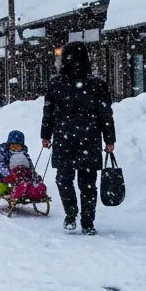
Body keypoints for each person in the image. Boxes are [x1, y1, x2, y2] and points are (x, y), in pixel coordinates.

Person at [40, 42, 116, 235]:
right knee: (88, 183)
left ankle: (71, 215)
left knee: (64, 179)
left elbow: (48, 111)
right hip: (89, 139)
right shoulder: (98, 85)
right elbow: (106, 115)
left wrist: (46, 135)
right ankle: (88, 222)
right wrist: (109, 139)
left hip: (65, 139)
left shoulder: (56, 84)